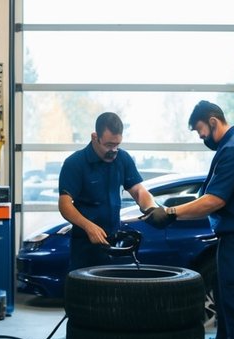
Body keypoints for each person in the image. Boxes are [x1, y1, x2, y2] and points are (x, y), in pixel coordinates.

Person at [143, 100, 234, 339]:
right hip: (232, 240)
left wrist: (171, 214)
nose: (200, 137)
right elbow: (206, 194)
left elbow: (214, 200)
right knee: (225, 305)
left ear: (212, 121)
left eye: (200, 130)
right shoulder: (230, 148)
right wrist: (175, 206)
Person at [58, 111, 159, 270]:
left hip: (113, 242)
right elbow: (65, 204)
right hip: (84, 247)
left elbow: (139, 190)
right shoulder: (75, 163)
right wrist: (88, 226)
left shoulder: (123, 159)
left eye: (117, 144)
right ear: (94, 137)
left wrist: (152, 208)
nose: (113, 150)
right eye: (109, 145)